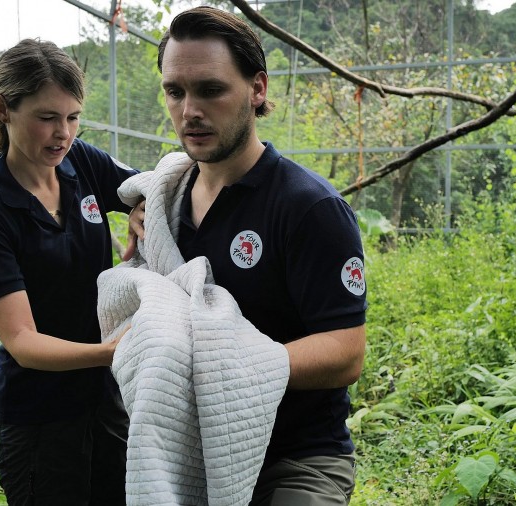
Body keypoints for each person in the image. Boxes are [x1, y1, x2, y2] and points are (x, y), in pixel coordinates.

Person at [153, 7, 368, 505]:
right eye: (175, 91)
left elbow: (345, 352)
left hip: (297, 459)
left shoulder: (308, 207)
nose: (189, 110)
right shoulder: (166, 200)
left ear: (258, 89)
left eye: (210, 89)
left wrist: (228, 366)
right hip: (196, 452)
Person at [0, 38, 140, 505]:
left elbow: (150, 186)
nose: (63, 133)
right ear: (4, 108)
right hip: (39, 415)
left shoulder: (81, 162)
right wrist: (112, 351)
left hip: (104, 400)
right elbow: (23, 342)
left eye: (73, 117)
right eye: (47, 118)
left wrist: (143, 211)